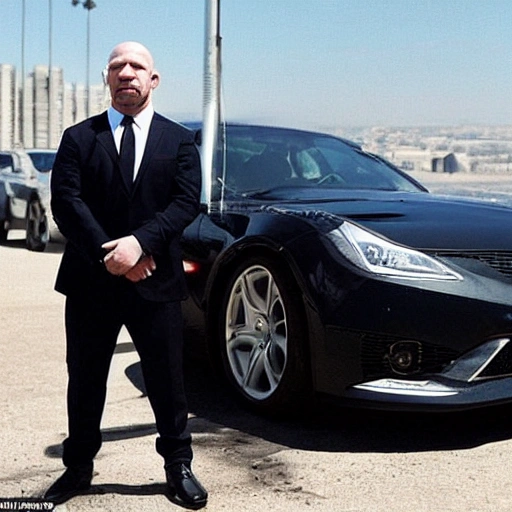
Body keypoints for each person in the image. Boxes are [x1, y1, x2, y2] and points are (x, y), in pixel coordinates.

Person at [43, 41, 207, 509]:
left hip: (156, 279)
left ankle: (178, 466)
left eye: (137, 66)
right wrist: (112, 255)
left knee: (167, 378)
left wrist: (140, 245)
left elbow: (185, 202)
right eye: (117, 66)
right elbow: (67, 203)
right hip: (91, 281)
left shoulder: (178, 140)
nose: (127, 73)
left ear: (153, 80)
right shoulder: (79, 137)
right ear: (106, 79)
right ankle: (78, 467)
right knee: (86, 375)